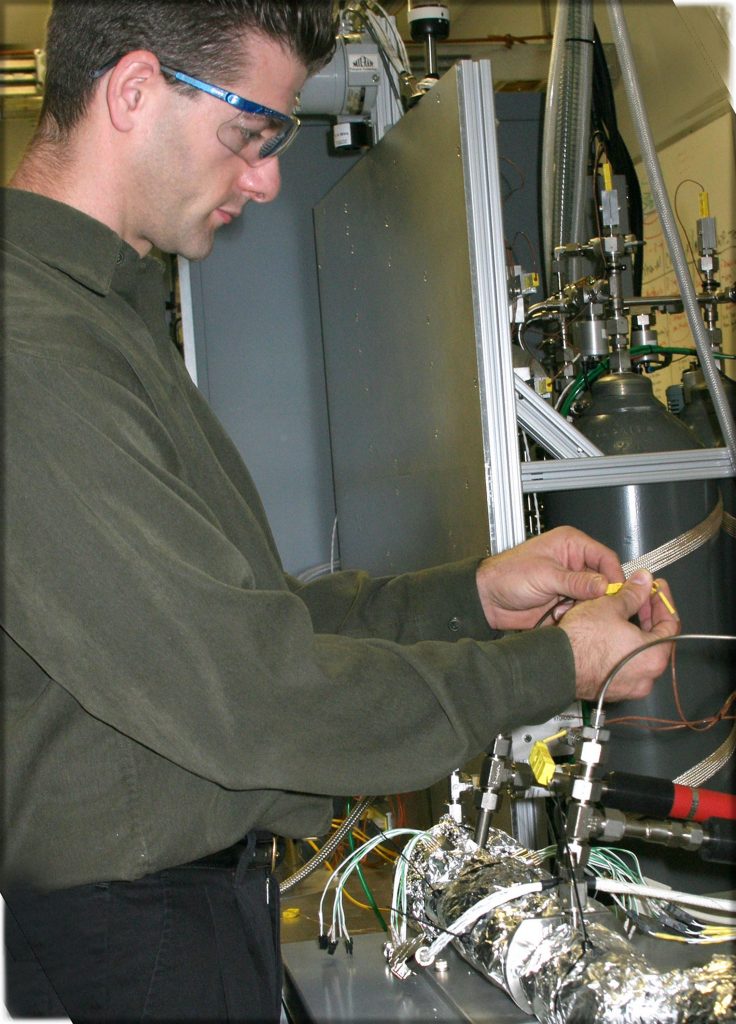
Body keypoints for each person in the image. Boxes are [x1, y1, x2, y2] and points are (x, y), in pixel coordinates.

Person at [1, 1, 679, 1020]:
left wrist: (469, 599)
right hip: (124, 938)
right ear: (133, 91)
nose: (268, 178)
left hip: (173, 913)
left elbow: (241, 622)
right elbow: (247, 692)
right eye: (251, 135)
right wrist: (552, 666)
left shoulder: (104, 316)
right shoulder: (33, 345)